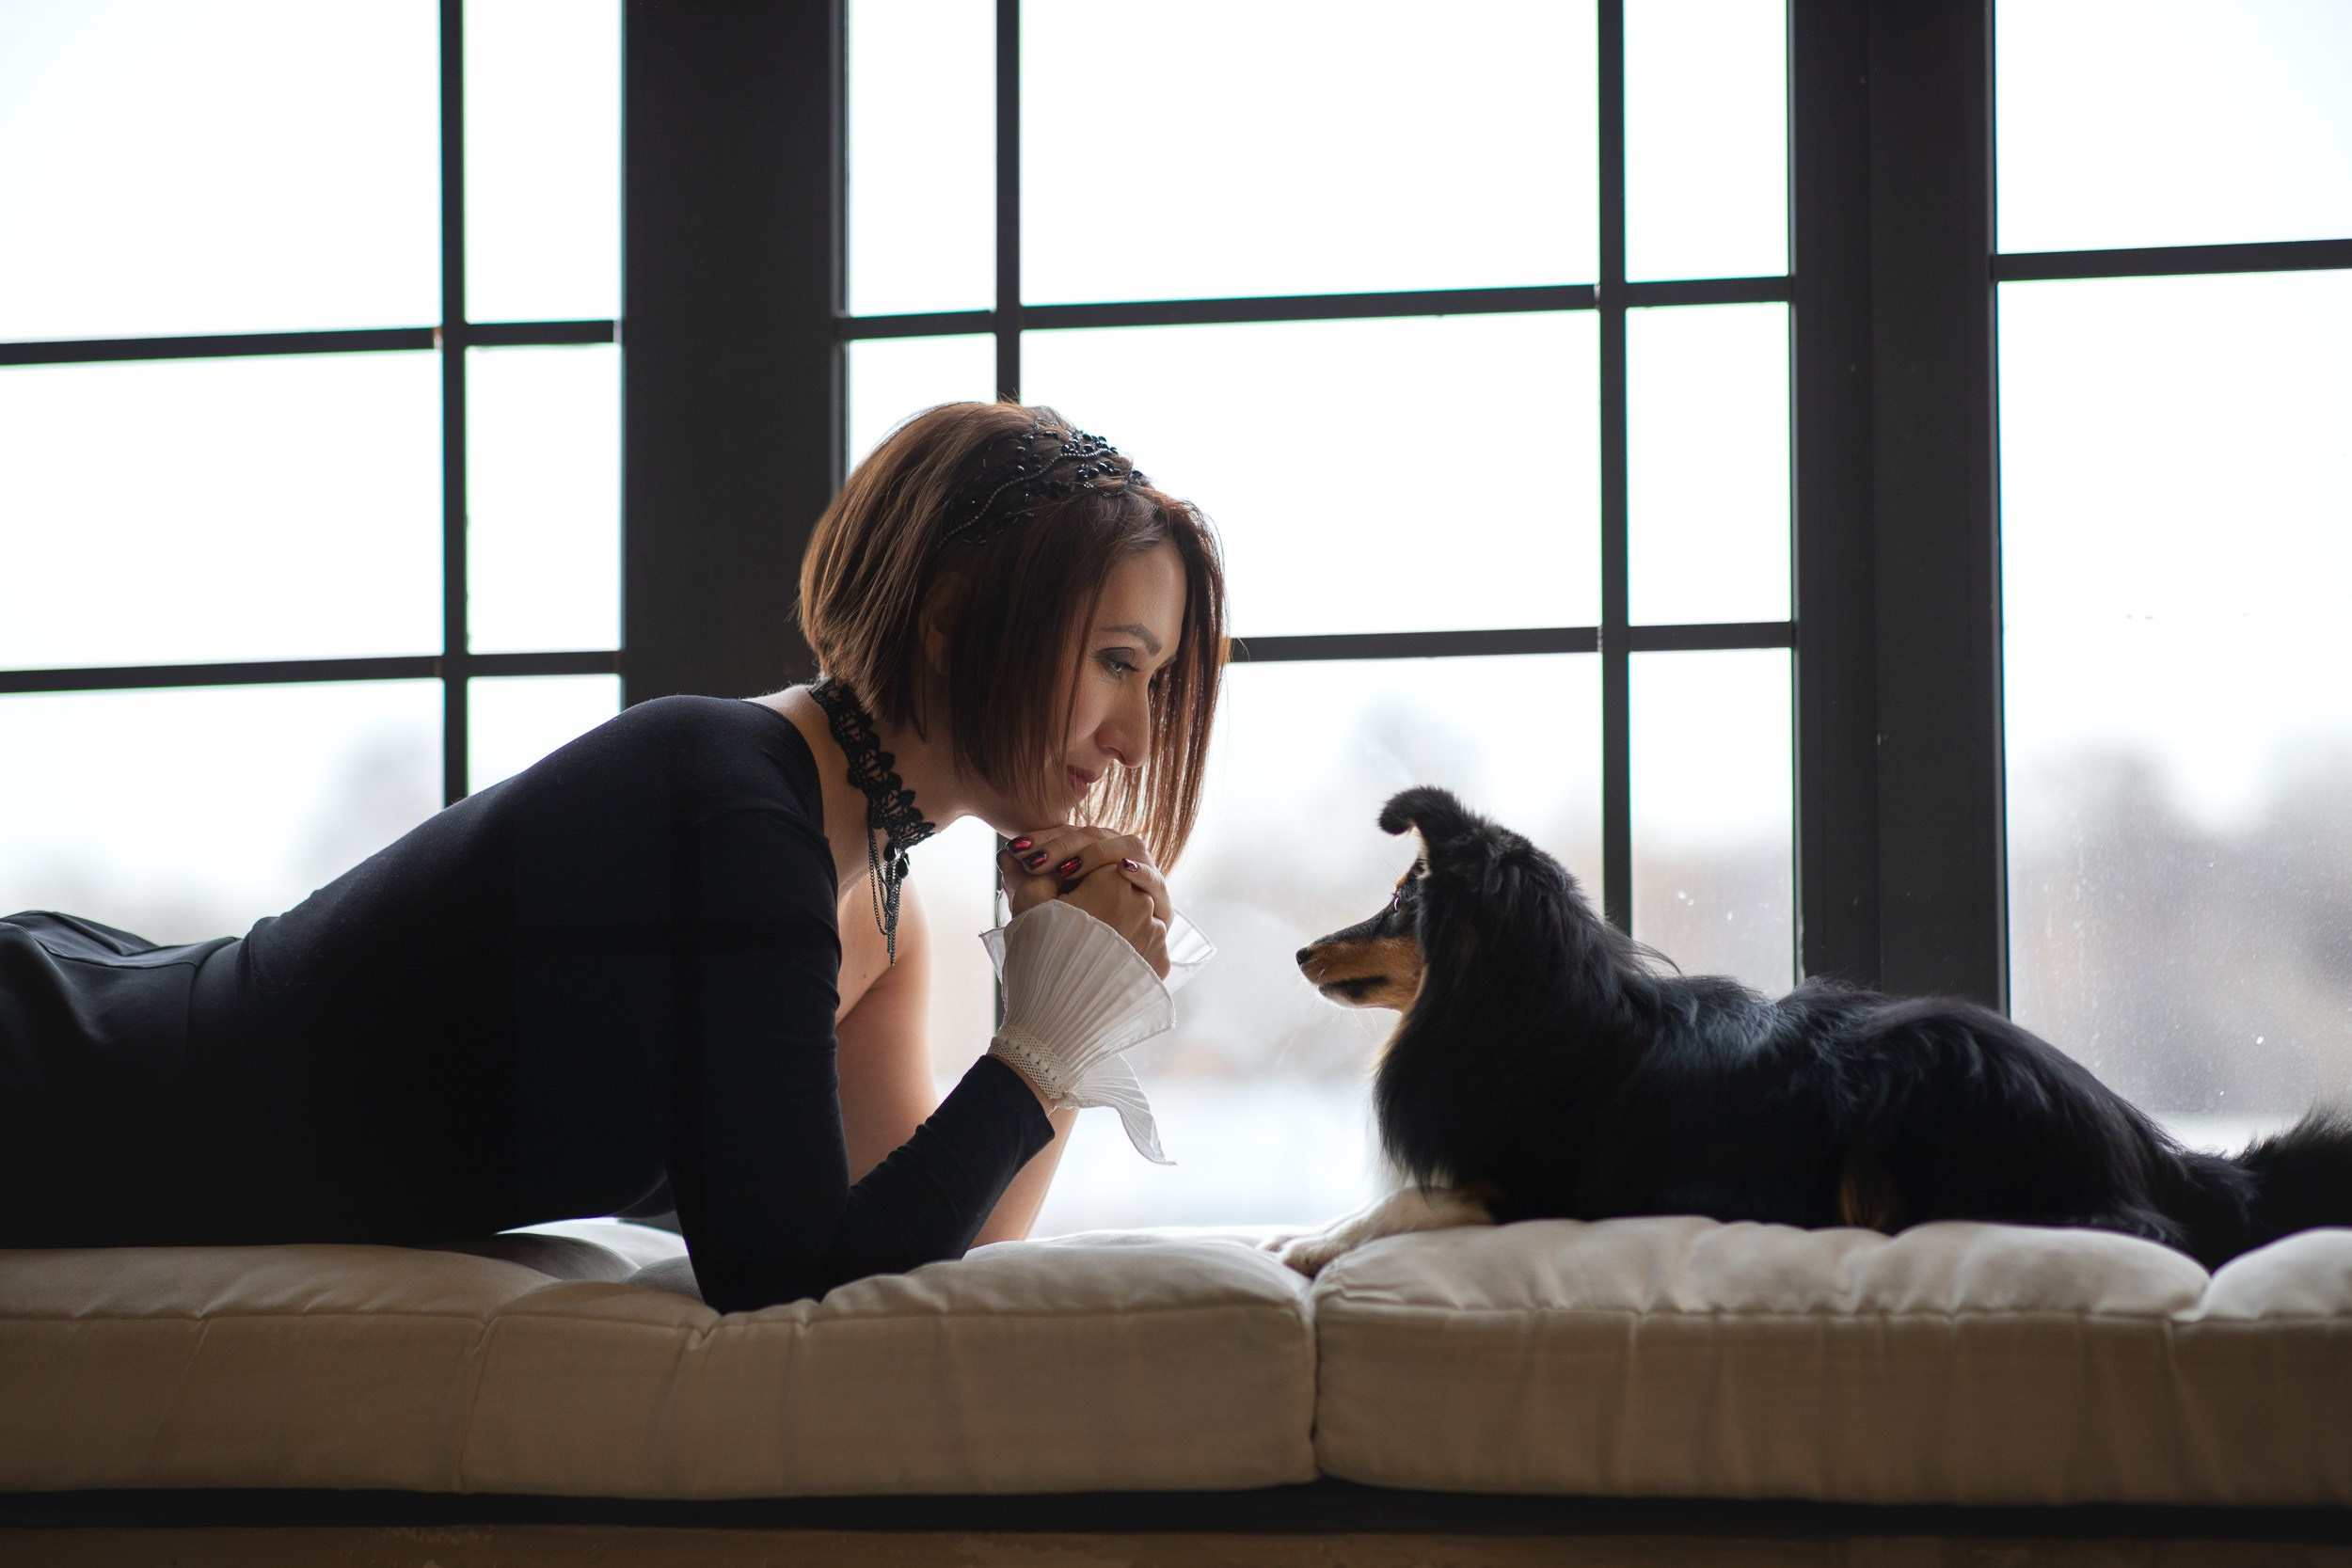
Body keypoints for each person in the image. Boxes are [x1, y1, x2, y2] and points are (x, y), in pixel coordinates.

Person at [0, 404, 1228, 1312]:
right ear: (955, 624)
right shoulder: (739, 813)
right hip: (58, 1085)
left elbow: (929, 1253)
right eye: (1117, 662)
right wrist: (1043, 1047)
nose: (1131, 736)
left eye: (1158, 679)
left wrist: (1059, 1022)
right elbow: (788, 1278)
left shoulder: (870, 910)